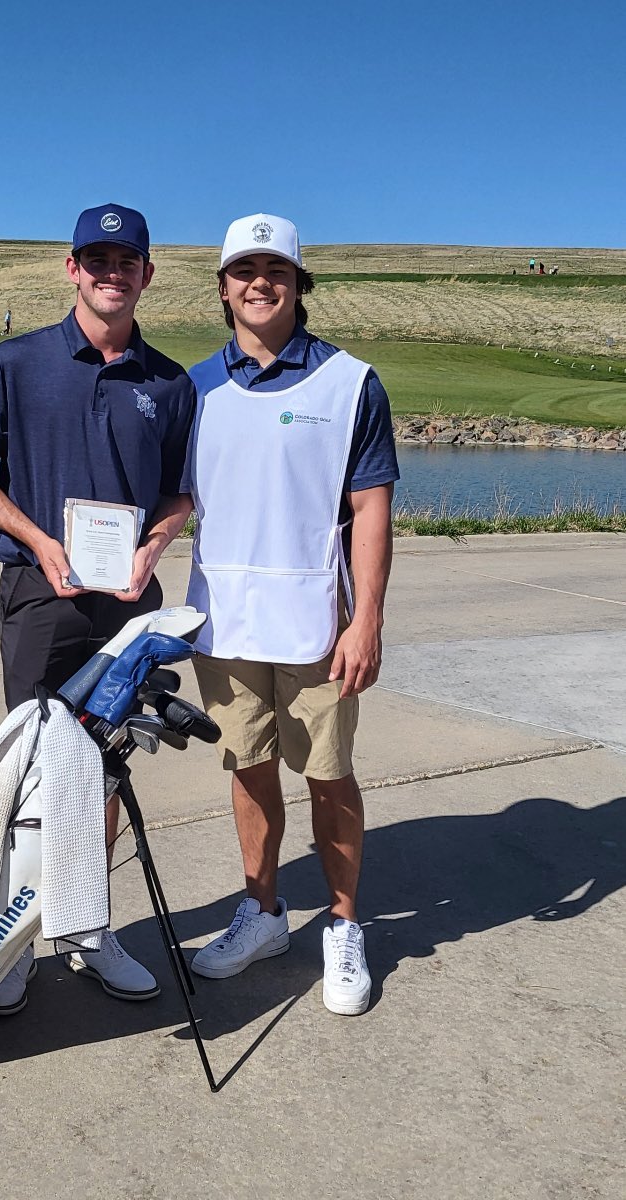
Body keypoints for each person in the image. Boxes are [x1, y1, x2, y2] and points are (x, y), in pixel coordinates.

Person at [0, 204, 195, 1015]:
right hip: (40, 596)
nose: (110, 273)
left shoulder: (169, 382)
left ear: (147, 273)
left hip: (127, 608)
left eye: (126, 261)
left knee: (105, 772)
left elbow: (176, 495)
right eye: (96, 259)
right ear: (71, 268)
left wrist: (151, 551)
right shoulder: (13, 363)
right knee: (31, 772)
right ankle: (13, 944)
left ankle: (87, 931)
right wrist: (41, 542)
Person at [183, 214, 398, 1016]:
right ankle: (262, 911)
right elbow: (176, 501)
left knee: (330, 773)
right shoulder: (195, 386)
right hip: (225, 624)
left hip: (318, 623)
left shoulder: (350, 383)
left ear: (299, 283)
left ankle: (342, 923)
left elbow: (370, 509)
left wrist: (366, 619)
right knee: (247, 766)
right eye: (245, 270)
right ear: (224, 287)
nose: (260, 283)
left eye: (276, 269)